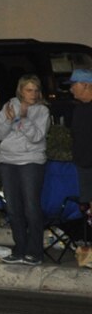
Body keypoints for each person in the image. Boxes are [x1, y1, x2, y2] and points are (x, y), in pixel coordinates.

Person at [0, 74, 50, 265]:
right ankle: (19, 249)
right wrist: (9, 120)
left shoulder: (42, 111)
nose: (33, 94)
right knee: (13, 208)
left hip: (31, 162)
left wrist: (22, 119)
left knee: (31, 207)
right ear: (21, 90)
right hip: (7, 161)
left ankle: (35, 252)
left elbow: (36, 137)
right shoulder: (9, 106)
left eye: (35, 90)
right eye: (29, 90)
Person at [63, 69, 92, 216]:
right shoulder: (79, 108)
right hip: (83, 166)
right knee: (86, 207)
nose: (71, 89)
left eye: (74, 84)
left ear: (86, 85)